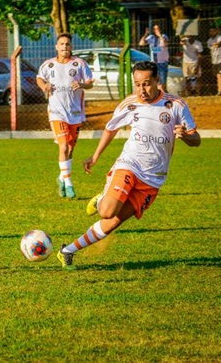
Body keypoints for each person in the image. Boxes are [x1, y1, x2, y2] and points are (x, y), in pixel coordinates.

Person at [55, 61, 201, 269]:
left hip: (154, 178)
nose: (142, 89)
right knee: (107, 211)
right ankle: (102, 200)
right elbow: (111, 129)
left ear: (158, 81)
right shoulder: (130, 104)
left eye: (147, 83)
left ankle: (67, 251)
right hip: (129, 164)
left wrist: (185, 136)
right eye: (138, 84)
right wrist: (95, 157)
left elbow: (196, 139)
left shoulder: (176, 105)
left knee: (114, 221)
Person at [36, 32, 94, 199]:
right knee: (63, 147)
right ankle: (69, 184)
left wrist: (81, 84)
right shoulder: (49, 65)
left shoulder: (79, 64)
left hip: (75, 113)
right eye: (61, 44)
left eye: (67, 44)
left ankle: (62, 177)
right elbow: (39, 78)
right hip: (56, 112)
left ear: (71, 47)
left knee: (70, 149)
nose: (64, 47)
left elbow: (89, 83)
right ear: (56, 46)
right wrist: (43, 86)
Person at [139, 24, 169, 92]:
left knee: (163, 82)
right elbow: (141, 43)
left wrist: (160, 36)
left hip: (162, 62)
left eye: (158, 29)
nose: (157, 30)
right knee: (155, 81)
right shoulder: (151, 37)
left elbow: (165, 44)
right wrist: (145, 34)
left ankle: (165, 94)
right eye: (155, 29)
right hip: (154, 63)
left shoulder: (164, 37)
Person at [207, 27, 221, 96]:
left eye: (213, 31)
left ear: (216, 31)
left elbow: (220, 43)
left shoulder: (220, 37)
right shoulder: (209, 41)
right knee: (217, 75)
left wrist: (217, 44)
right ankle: (220, 89)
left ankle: (220, 91)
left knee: (220, 75)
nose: (212, 33)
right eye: (210, 31)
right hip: (215, 61)